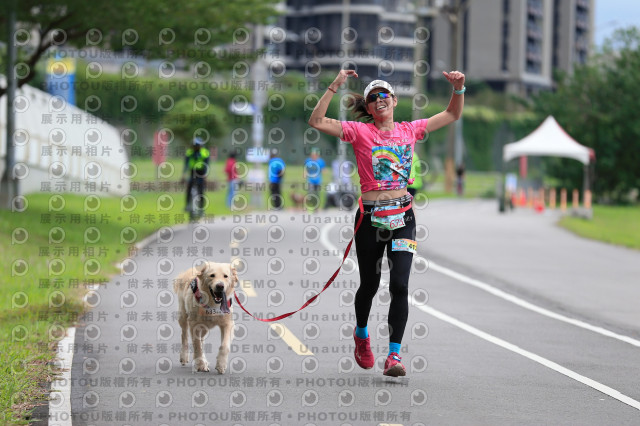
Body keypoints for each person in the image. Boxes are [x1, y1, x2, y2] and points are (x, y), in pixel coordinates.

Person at [308, 69, 465, 377]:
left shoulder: (411, 129)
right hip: (369, 219)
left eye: (384, 95)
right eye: (372, 98)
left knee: (400, 285)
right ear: (368, 108)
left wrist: (459, 89)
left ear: (394, 101)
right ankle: (362, 336)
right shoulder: (358, 132)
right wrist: (333, 87)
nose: (379, 100)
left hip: (403, 219)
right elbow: (316, 121)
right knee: (369, 284)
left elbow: (451, 114)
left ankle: (394, 356)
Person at [182, 137, 210, 217]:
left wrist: (205, 176)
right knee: (189, 187)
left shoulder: (205, 152)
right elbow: (186, 164)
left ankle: (201, 209)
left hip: (201, 173)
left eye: (197, 145)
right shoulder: (189, 152)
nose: (196, 147)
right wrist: (183, 175)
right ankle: (187, 205)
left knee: (201, 191)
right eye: (194, 145)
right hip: (192, 172)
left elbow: (207, 165)